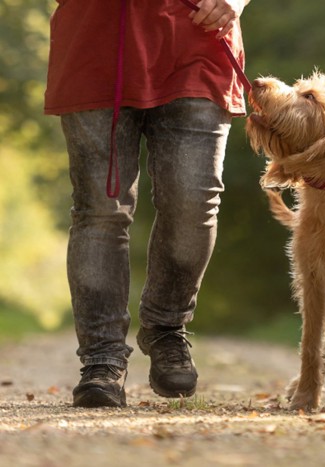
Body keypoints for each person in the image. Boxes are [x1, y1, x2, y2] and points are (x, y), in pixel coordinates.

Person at [44, 0, 252, 408]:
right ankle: (102, 359)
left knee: (194, 201)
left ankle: (166, 327)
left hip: (197, 40)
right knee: (100, 211)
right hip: (95, 45)